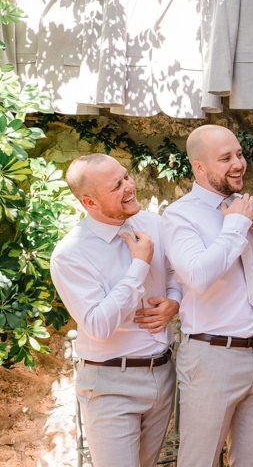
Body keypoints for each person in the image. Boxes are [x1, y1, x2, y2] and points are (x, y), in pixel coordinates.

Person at [160, 124, 253, 467]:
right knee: (199, 459)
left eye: (240, 154)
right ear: (200, 167)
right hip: (212, 356)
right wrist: (234, 227)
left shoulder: (242, 207)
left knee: (250, 460)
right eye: (226, 158)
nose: (238, 164)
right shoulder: (179, 216)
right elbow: (198, 277)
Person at [50, 154, 181, 467]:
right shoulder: (70, 254)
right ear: (90, 202)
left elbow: (176, 273)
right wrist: (139, 265)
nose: (129, 187)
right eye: (117, 186)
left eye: (126, 176)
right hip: (110, 383)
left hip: (162, 374)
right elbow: (98, 325)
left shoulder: (153, 224)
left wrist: (174, 301)